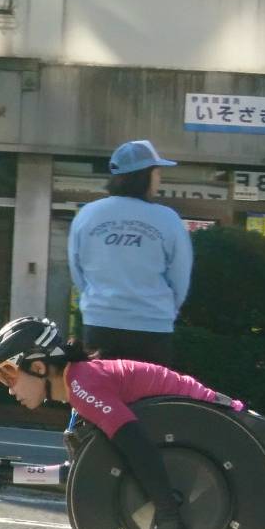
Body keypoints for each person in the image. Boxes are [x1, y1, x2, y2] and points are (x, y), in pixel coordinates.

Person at [0, 316, 244, 529]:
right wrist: (17, 473)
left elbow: (138, 447)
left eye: (9, 376)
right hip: (203, 419)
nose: (10, 390)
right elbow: (86, 468)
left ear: (38, 367)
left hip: (216, 422)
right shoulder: (79, 381)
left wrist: (168, 515)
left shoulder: (82, 386)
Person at [68, 140, 192, 367]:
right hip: (153, 327)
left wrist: (98, 300)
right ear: (145, 175)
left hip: (100, 322)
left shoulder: (87, 214)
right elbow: (180, 274)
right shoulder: (167, 218)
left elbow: (77, 270)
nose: (159, 179)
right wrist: (165, 308)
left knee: (100, 388)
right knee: (149, 389)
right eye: (157, 172)